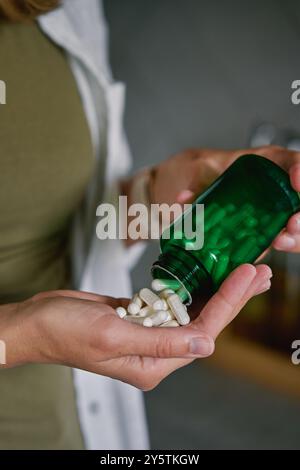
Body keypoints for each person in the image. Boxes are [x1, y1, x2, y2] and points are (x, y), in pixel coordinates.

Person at [0, 0, 299, 450]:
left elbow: (68, 215)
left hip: (72, 426)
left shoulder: (66, 8)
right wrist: (23, 336)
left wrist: (157, 192)